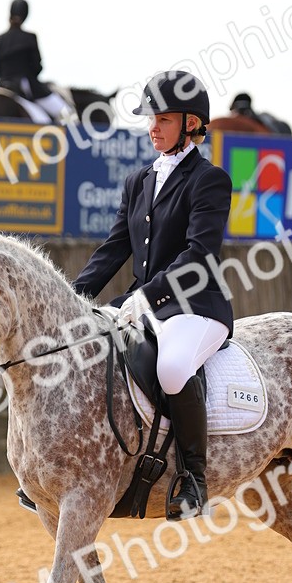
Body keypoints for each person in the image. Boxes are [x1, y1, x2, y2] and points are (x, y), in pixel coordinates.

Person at [73, 69, 233, 520]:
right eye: (151, 119)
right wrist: (73, 299)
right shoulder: (139, 180)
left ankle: (194, 480)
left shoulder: (210, 179)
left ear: (191, 123)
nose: (153, 127)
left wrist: (147, 297)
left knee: (173, 366)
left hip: (196, 306)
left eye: (163, 119)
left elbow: (199, 254)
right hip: (142, 304)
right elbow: (114, 248)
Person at [0, 0, 71, 123]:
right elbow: (37, 67)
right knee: (66, 113)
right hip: (26, 88)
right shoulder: (30, 37)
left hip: (3, 86)